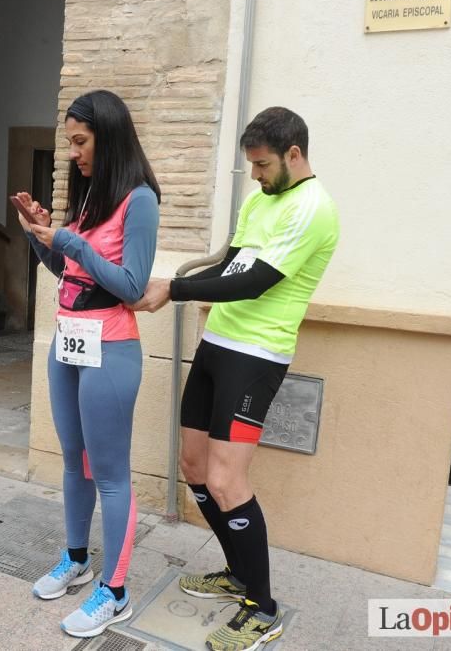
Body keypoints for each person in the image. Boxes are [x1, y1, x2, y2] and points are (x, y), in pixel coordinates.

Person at [130, 107, 339, 651]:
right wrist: (185, 282)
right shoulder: (258, 200)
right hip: (217, 346)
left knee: (226, 481)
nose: (257, 175)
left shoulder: (313, 208)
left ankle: (261, 607)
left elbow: (257, 283)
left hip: (257, 356)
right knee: (193, 466)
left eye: (265, 164)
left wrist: (175, 291)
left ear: (294, 154)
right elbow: (231, 268)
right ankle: (237, 573)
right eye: (252, 165)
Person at [14, 90, 159, 638]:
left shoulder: (140, 199)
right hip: (68, 343)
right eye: (71, 142)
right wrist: (39, 234)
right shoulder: (93, 196)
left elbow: (130, 285)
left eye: (81, 141)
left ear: (109, 136)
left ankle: (115, 592)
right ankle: (77, 560)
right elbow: (69, 270)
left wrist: (71, 239)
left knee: (111, 475)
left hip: (111, 348)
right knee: (73, 461)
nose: (73, 153)